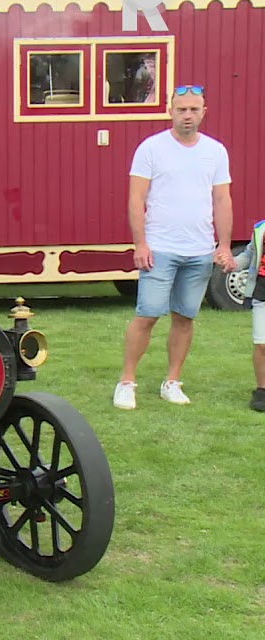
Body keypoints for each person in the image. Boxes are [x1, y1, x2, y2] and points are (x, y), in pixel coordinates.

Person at [113, 84, 235, 410]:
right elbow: (136, 198)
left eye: (194, 109)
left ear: (203, 113)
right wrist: (140, 243)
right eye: (181, 109)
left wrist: (223, 245)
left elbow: (222, 199)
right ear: (171, 111)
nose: (187, 115)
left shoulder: (215, 151)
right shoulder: (151, 149)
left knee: (185, 318)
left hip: (198, 251)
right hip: (160, 249)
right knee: (147, 315)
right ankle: (126, 382)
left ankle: (173, 381)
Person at [232, 220, 265, 412]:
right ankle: (262, 391)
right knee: (261, 344)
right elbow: (248, 255)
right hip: (261, 291)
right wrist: (230, 263)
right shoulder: (260, 229)